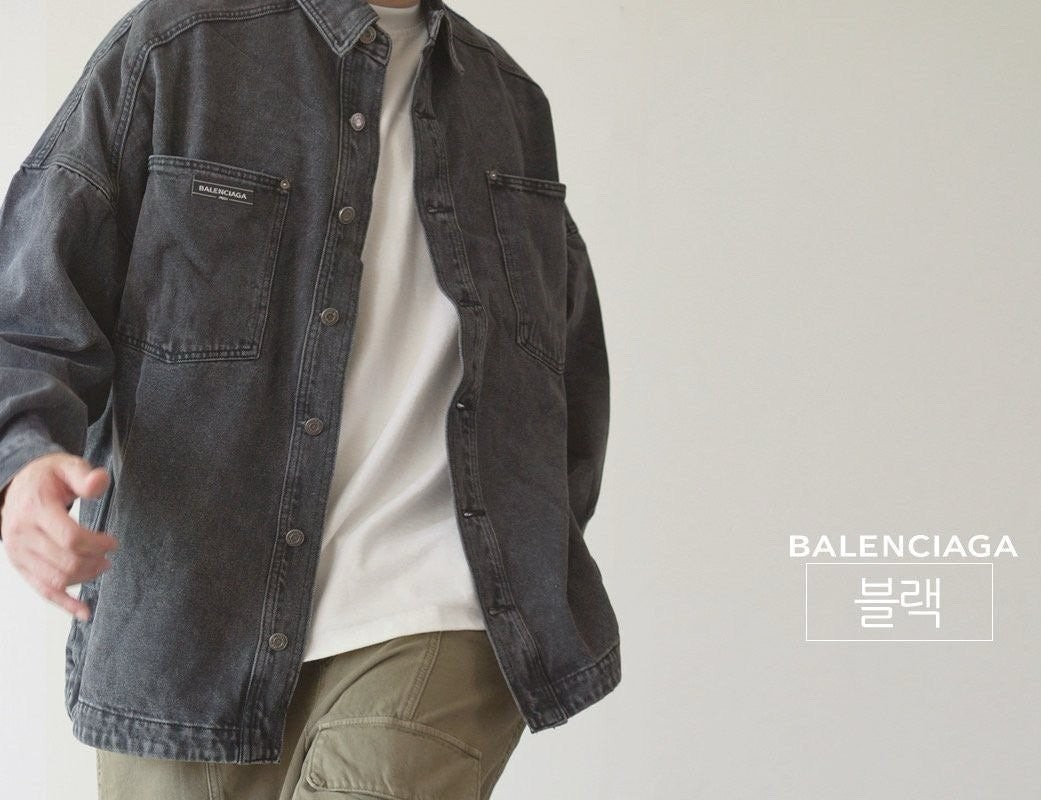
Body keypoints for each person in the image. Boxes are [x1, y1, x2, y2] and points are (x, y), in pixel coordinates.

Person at [0, 0, 621, 797]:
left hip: (437, 604)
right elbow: (33, 307)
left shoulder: (510, 103)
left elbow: (561, 367)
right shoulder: (177, 48)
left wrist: (538, 554)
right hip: (187, 634)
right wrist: (24, 466)